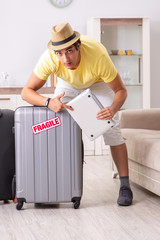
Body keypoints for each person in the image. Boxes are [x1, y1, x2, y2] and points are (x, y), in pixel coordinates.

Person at [21, 22, 133, 206]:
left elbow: (121, 90)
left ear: (78, 46)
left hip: (98, 83)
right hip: (68, 84)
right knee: (58, 125)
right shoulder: (49, 58)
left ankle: (125, 186)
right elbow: (26, 92)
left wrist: (112, 108)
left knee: (112, 128)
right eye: (60, 53)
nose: (65, 58)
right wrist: (49, 102)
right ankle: (57, 184)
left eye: (70, 51)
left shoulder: (98, 56)